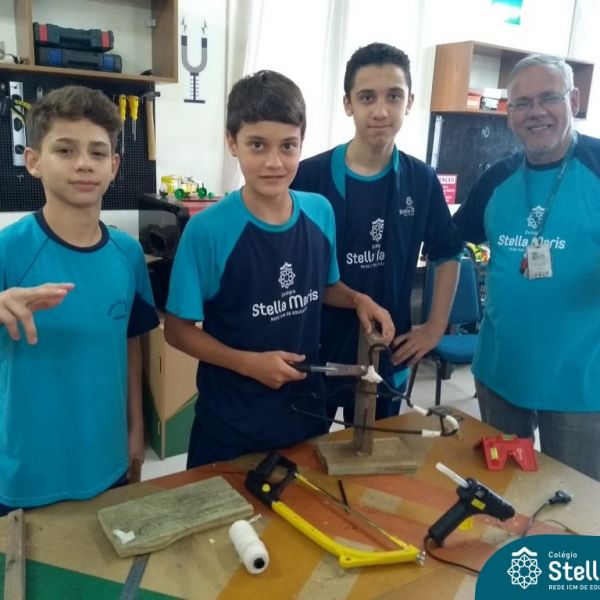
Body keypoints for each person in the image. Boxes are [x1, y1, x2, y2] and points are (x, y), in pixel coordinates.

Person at [164, 70, 394, 468]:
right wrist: (248, 363)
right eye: (257, 145)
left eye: (288, 146)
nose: (274, 162)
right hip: (230, 425)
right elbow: (177, 330)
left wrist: (358, 299)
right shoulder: (207, 231)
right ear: (232, 142)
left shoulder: (320, 212)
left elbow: (323, 286)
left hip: (306, 416)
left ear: (302, 143)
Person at [0, 85, 159, 515]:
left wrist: (136, 431)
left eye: (97, 152)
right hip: (24, 471)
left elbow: (131, 346)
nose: (84, 163)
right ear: (34, 161)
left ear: (114, 166)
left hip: (107, 460)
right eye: (65, 150)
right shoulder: (8, 250)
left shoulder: (127, 254)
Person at [292, 43, 463, 422]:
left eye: (394, 96)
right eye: (367, 97)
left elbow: (449, 252)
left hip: (387, 352)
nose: (381, 111)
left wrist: (435, 327)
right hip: (315, 349)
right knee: (308, 451)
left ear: (410, 102)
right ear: (348, 103)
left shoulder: (421, 180)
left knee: (376, 450)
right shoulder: (307, 177)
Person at [453, 54, 600, 481]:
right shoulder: (496, 179)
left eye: (548, 97)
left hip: (580, 385)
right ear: (509, 113)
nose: (536, 112)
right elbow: (448, 241)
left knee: (571, 503)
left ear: (574, 100)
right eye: (522, 103)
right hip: (500, 377)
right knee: (504, 492)